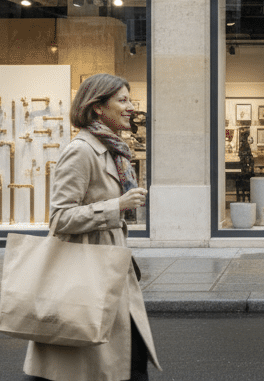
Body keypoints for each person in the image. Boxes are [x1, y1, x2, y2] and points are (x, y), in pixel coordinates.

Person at [24, 74, 160, 381]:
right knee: (111, 363)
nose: (131, 108)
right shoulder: (81, 150)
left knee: (125, 361)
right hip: (88, 271)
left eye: (130, 100)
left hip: (109, 267)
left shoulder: (113, 149)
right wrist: (117, 205)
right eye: (122, 100)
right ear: (98, 107)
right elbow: (60, 218)